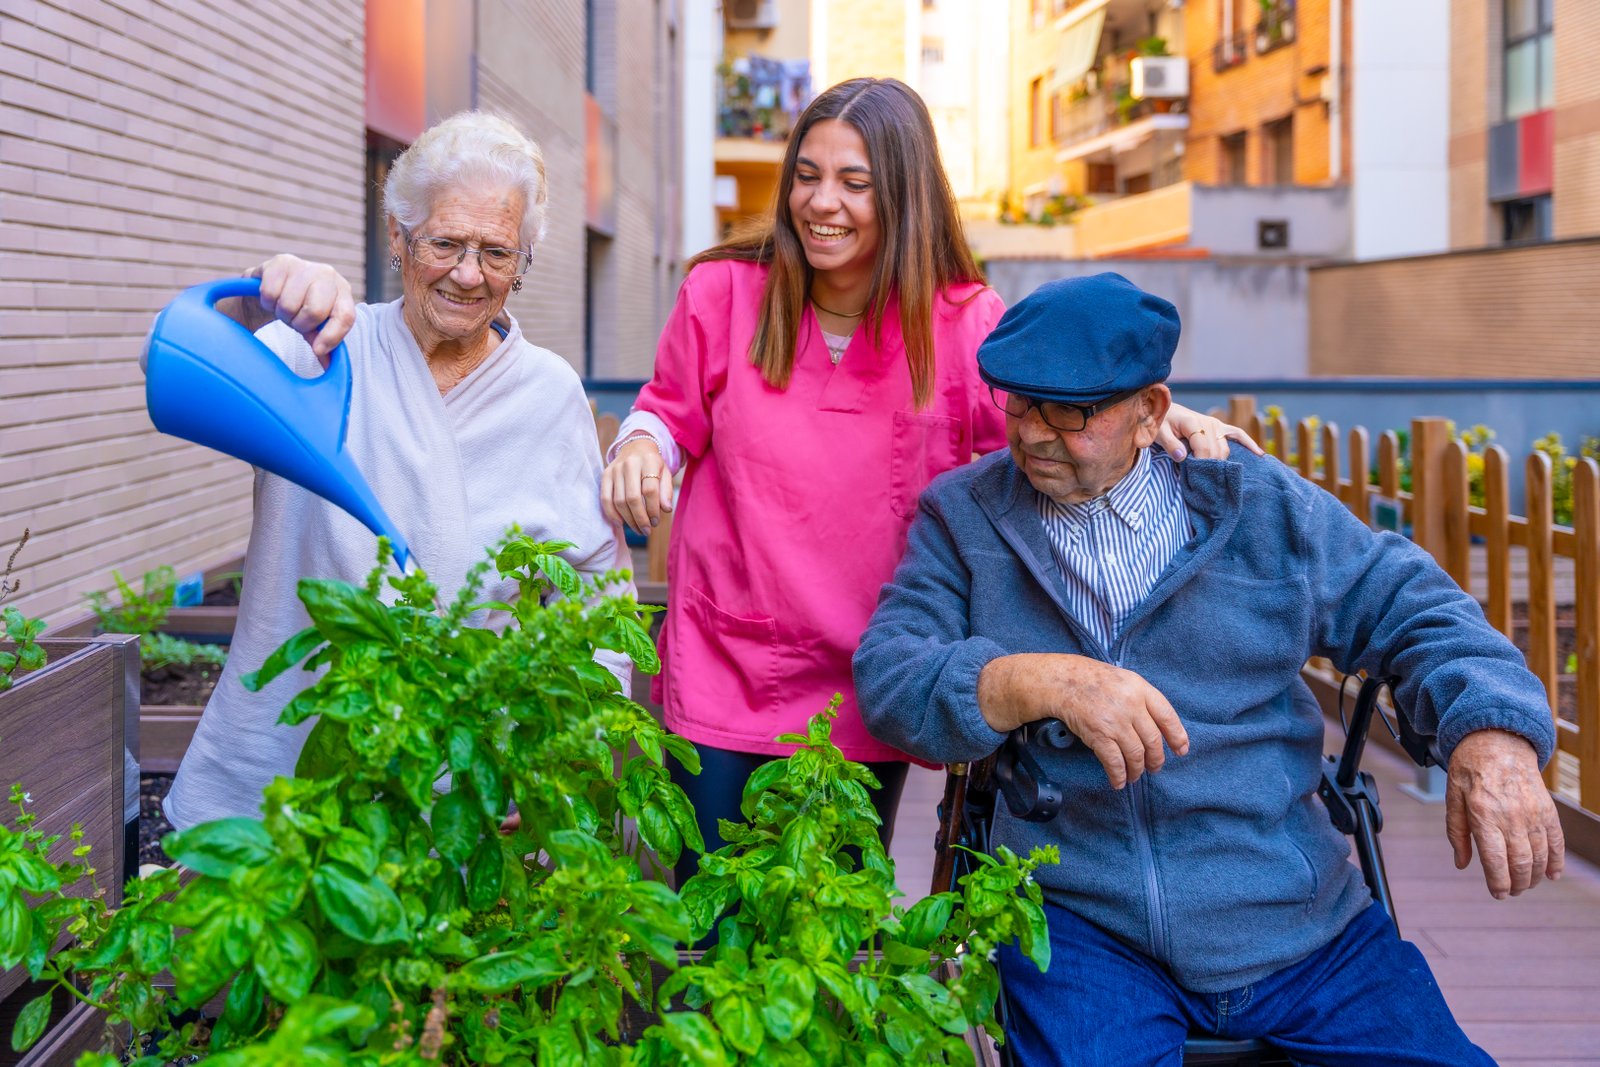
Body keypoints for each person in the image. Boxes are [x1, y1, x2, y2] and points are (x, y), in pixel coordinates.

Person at [853, 273, 1564, 1066]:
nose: (1034, 433)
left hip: (1294, 915)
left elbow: (1417, 607)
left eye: (1070, 411)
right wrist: (1032, 680)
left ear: (1150, 410)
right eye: (1020, 402)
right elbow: (891, 673)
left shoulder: (1261, 508)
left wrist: (1492, 736)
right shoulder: (965, 515)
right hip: (1082, 924)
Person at [600, 78, 1257, 886]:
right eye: (806, 176)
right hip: (727, 660)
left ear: (904, 195)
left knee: (827, 924)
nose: (821, 202)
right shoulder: (723, 293)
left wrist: (1159, 413)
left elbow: (1040, 415)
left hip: (872, 677)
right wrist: (640, 444)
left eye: (854, 182)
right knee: (712, 912)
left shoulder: (963, 319)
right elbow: (667, 411)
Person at [161, 112, 627, 831]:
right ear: (397, 238)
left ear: (522, 263)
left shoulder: (548, 394)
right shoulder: (318, 349)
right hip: (281, 761)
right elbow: (168, 364)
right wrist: (254, 303)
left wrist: (560, 761)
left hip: (460, 781)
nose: (468, 274)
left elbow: (600, 588)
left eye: (497, 252)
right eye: (445, 243)